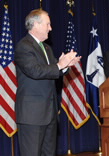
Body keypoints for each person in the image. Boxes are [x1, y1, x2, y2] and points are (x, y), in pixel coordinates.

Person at [14, 9, 81, 156]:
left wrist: (66, 65)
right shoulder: (24, 46)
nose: (50, 28)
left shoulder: (47, 48)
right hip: (32, 116)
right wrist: (59, 65)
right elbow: (35, 71)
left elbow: (53, 71)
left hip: (50, 114)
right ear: (36, 24)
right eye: (48, 24)